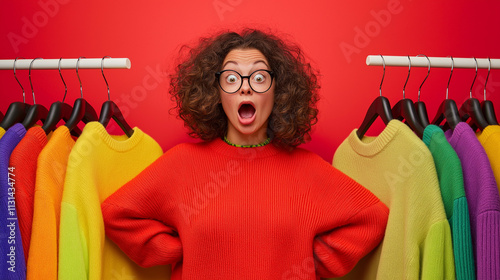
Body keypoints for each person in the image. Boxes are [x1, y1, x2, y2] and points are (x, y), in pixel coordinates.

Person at [101, 28, 389, 280]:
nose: (246, 87)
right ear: (216, 91)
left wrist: (309, 262)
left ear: (279, 90)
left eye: (260, 77)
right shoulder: (181, 163)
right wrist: (179, 248)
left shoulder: (308, 169)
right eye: (231, 78)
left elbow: (372, 217)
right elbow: (117, 214)